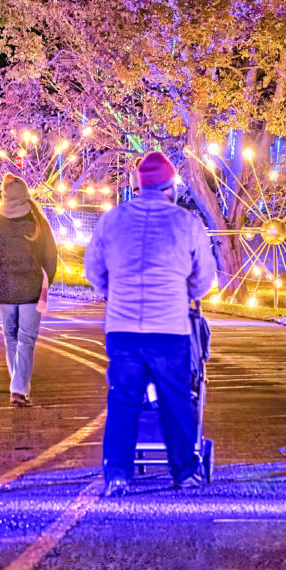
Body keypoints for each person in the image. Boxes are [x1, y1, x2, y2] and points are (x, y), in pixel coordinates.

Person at [84, 151, 215, 497]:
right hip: (169, 328)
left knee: (124, 399)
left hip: (123, 328)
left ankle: (117, 473)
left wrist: (116, 290)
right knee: (175, 399)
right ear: (170, 186)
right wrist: (183, 290)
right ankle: (185, 470)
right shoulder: (186, 223)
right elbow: (204, 279)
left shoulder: (112, 220)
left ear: (139, 186)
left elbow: (93, 270)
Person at [0, 175, 58, 407]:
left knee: (11, 337)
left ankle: (18, 386)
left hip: (5, 287)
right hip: (31, 287)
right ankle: (18, 387)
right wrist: (46, 279)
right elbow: (51, 256)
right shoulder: (38, 223)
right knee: (26, 339)